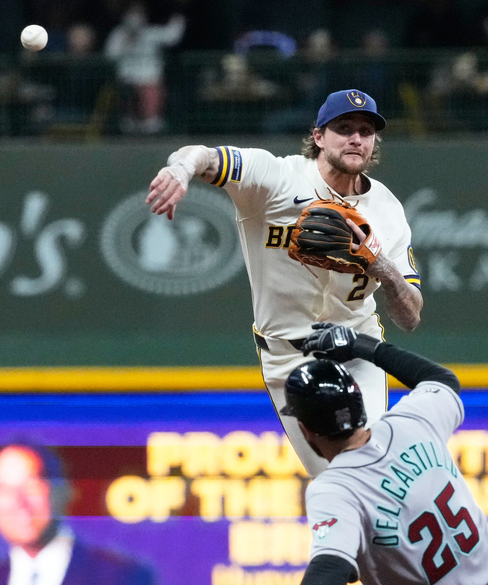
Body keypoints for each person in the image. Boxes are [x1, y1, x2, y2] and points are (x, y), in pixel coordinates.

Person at [146, 88, 423, 477]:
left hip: (357, 348)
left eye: (366, 131)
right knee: (338, 476)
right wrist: (180, 169)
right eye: (344, 128)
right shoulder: (276, 178)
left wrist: (382, 267)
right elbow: (202, 155)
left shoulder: (388, 211)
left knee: (370, 470)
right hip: (289, 357)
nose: (356, 138)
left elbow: (410, 317)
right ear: (318, 136)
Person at [246, 323, 488, 585]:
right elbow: (441, 379)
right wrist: (362, 345)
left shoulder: (334, 488)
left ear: (305, 430)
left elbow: (332, 566)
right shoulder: (411, 420)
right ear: (359, 404)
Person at [0, 443, 156, 585]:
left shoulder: (122, 579)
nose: (19, 502)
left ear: (62, 490)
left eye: (32, 485)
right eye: (3, 489)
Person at [104, 2, 185, 135]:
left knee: (151, 91)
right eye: (132, 13)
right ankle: (129, 122)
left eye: (139, 13)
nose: (135, 17)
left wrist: (179, 16)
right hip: (127, 78)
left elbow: (172, 37)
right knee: (129, 95)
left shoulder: (150, 32)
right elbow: (110, 54)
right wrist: (126, 43)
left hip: (150, 77)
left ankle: (150, 122)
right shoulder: (118, 34)